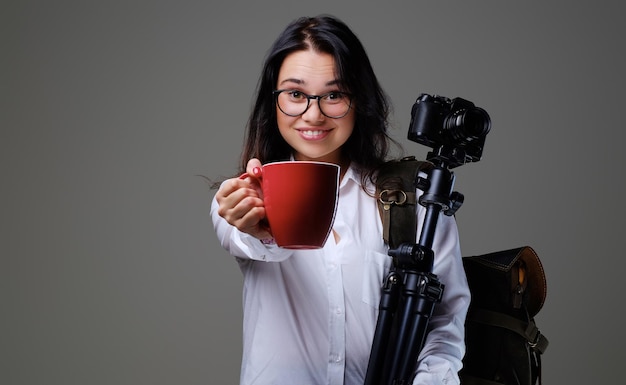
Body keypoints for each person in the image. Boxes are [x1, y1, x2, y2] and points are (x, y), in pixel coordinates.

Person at [211, 15, 470, 385]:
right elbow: (244, 235)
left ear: (358, 100)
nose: (313, 114)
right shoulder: (244, 195)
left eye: (334, 95)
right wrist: (258, 224)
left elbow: (446, 319)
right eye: (296, 94)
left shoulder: (413, 201)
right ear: (274, 101)